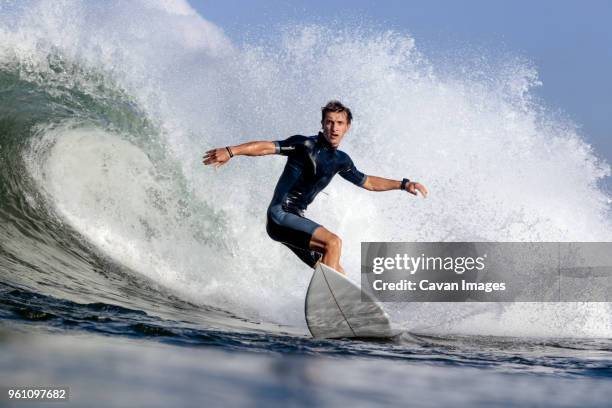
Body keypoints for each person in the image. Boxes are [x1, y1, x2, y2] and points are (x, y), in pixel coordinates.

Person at [203, 101, 428, 275]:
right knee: (333, 243)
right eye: (329, 122)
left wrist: (403, 184)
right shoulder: (305, 145)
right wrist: (231, 151)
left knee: (335, 270)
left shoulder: (341, 160)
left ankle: (338, 318)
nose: (334, 127)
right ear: (322, 124)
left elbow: (368, 182)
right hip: (280, 215)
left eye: (339, 123)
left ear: (347, 127)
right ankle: (331, 311)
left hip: (293, 222)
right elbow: (266, 147)